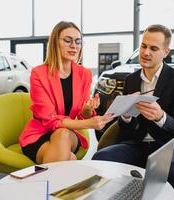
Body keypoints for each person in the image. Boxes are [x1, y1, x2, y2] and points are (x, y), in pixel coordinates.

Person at [92, 24, 174, 200]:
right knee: (101, 156)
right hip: (138, 143)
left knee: (173, 169)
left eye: (154, 48)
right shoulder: (130, 80)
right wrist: (126, 115)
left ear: (165, 52)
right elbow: (125, 128)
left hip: (168, 146)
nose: (146, 53)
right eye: (144, 46)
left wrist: (161, 117)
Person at [19, 21, 114, 164]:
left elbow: (81, 116)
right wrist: (89, 123)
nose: (74, 46)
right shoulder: (38, 74)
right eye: (67, 40)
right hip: (38, 135)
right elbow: (50, 120)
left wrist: (87, 110)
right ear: (54, 43)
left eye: (78, 41)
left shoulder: (84, 74)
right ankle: (68, 173)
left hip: (67, 134)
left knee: (62, 134)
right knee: (67, 158)